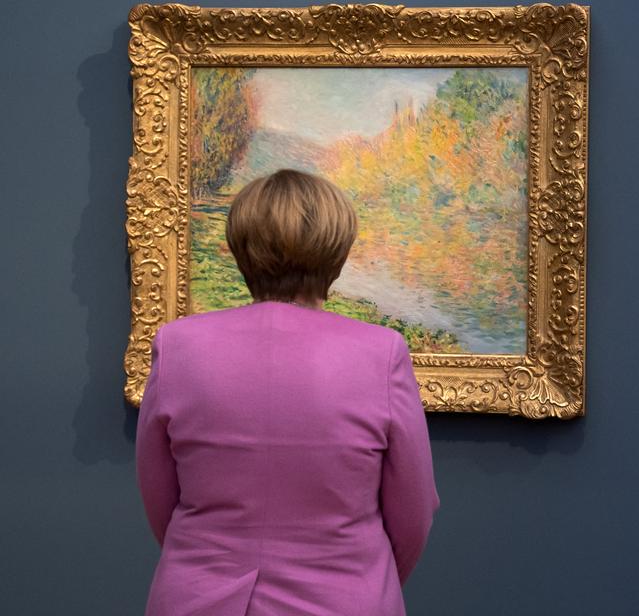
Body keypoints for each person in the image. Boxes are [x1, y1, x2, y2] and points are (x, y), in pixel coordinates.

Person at [135, 168, 440, 616]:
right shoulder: (382, 352)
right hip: (345, 601)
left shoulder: (178, 345)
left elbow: (159, 500)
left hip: (197, 599)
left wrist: (207, 565)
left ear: (242, 251)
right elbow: (413, 514)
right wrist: (359, 578)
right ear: (337, 251)